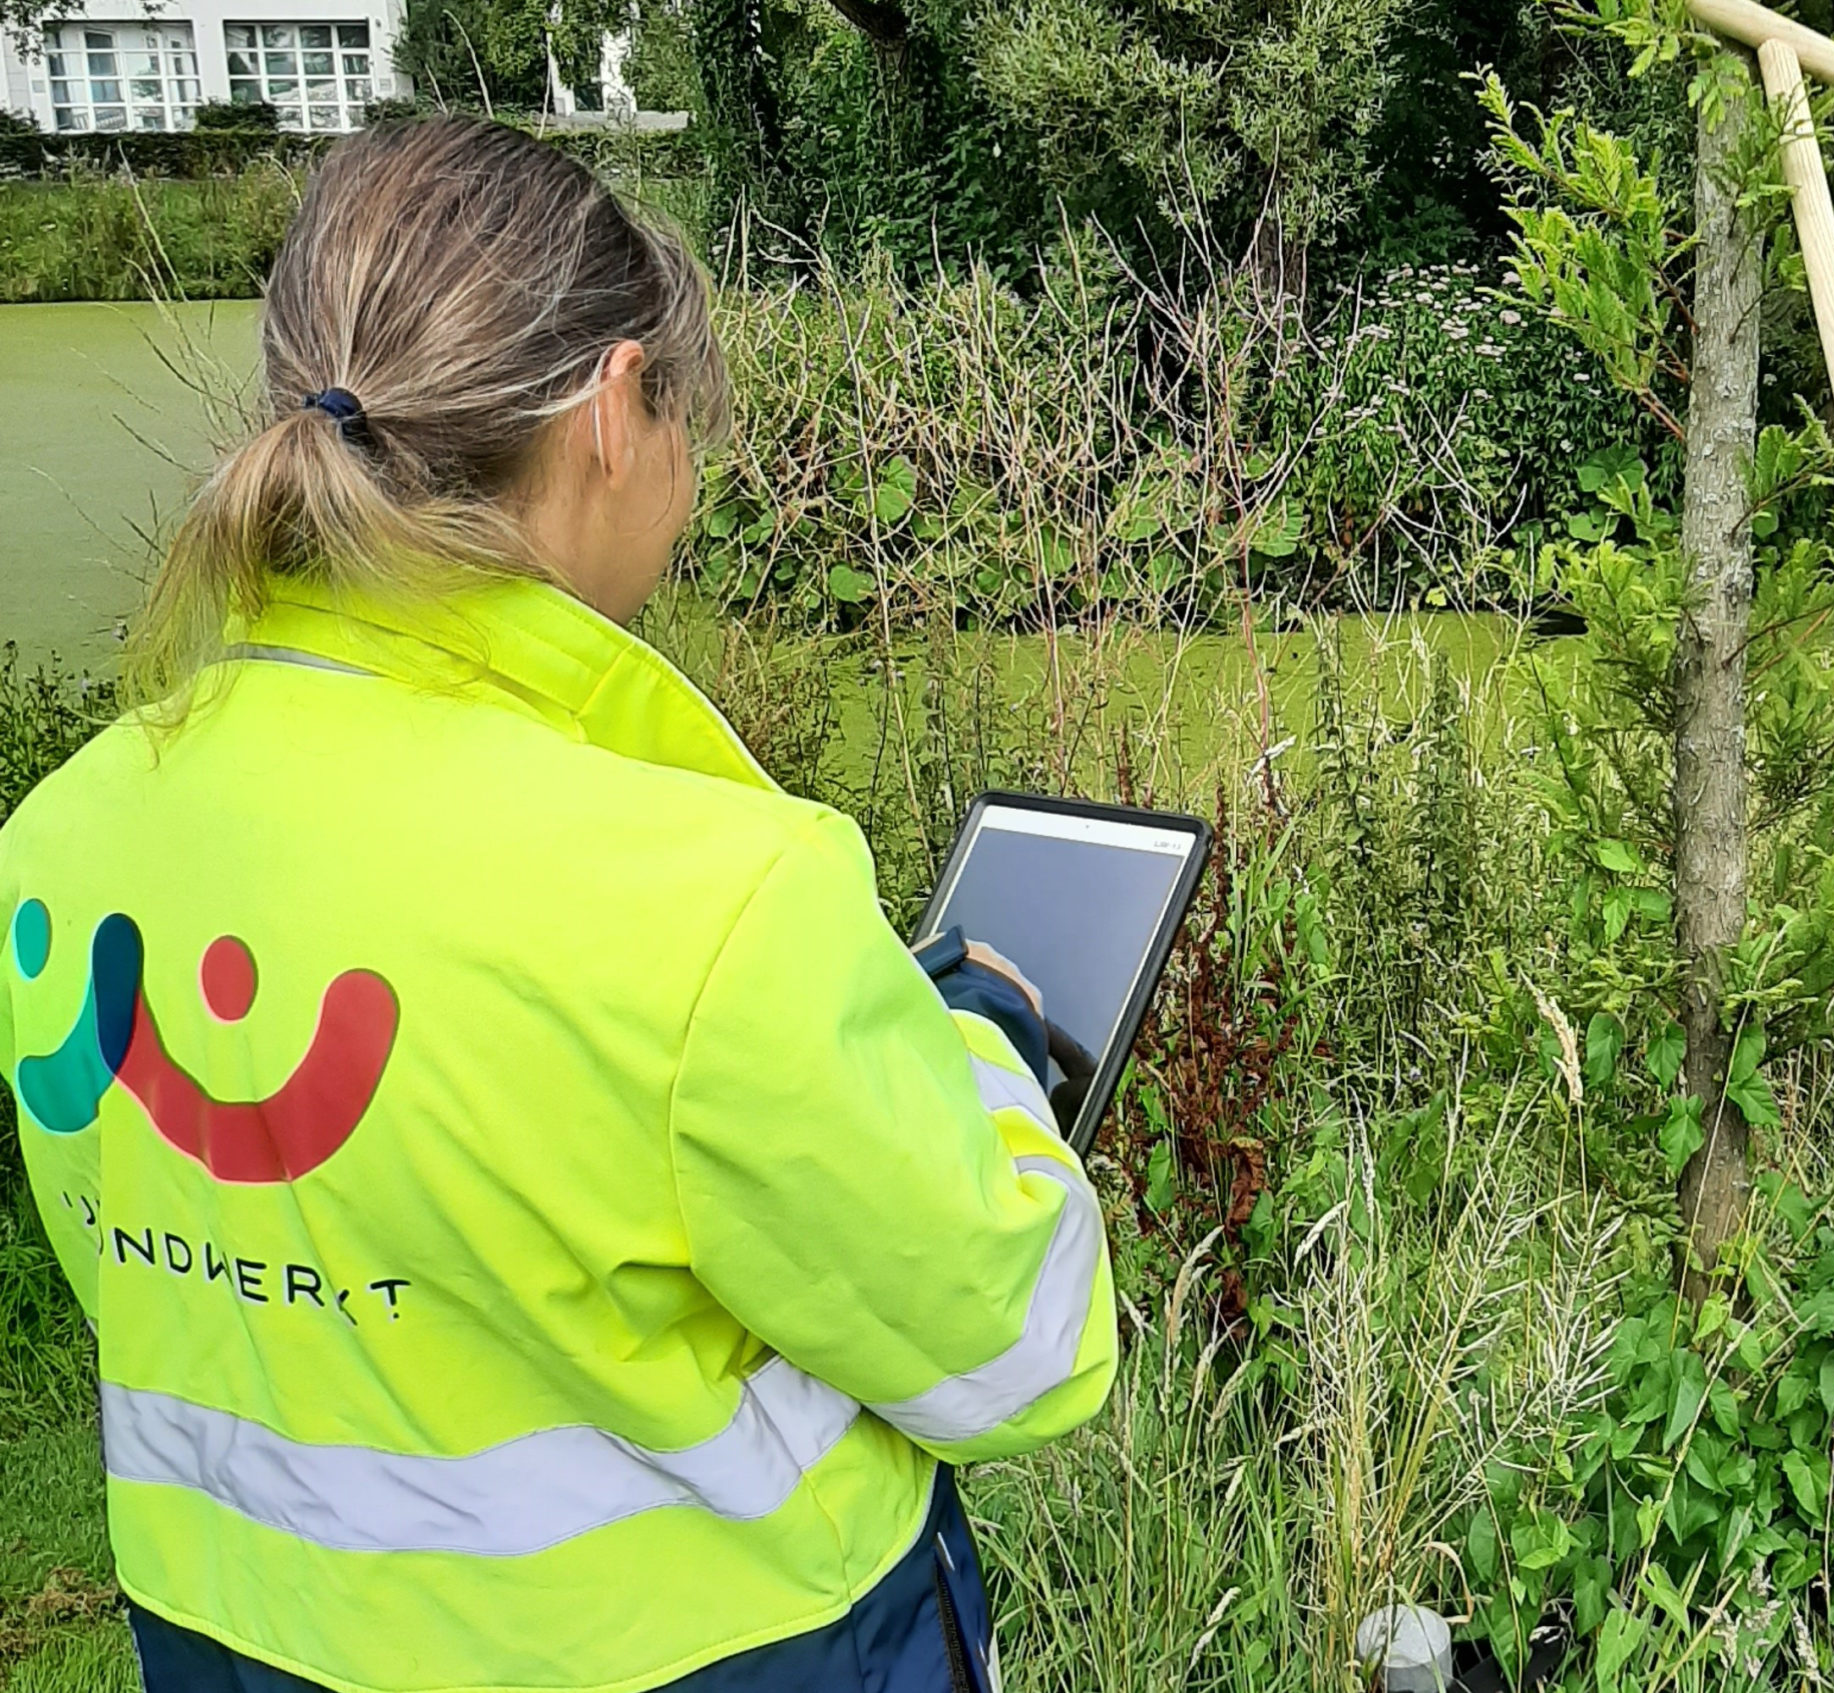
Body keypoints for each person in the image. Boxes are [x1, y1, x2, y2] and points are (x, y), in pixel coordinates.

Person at [0, 116, 1114, 1693]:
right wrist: (980, 1038)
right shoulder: (707, 900)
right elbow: (1019, 1347)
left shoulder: (60, 840)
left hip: (232, 1649)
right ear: (610, 407)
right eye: (684, 413)